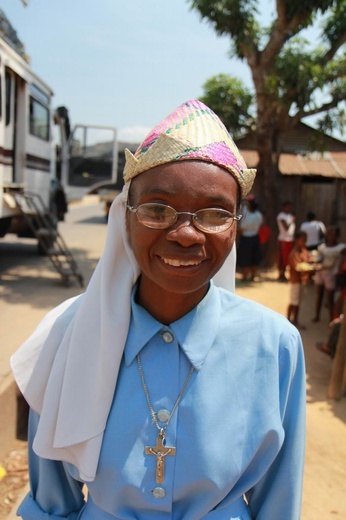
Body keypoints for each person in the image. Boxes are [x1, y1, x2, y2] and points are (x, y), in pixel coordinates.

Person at [11, 99, 306, 520]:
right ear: (124, 218)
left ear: (237, 226)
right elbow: (50, 505)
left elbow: (279, 503)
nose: (186, 233)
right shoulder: (69, 332)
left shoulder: (275, 345)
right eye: (156, 210)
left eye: (214, 213)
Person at [312, 226, 346, 323]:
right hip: (321, 272)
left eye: (333, 234)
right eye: (329, 234)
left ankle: (332, 319)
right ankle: (317, 315)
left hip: (331, 274)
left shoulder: (341, 248)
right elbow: (319, 258)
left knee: (330, 298)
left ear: (337, 236)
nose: (331, 236)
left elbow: (341, 262)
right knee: (319, 294)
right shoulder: (322, 247)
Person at [287, 230, 313, 328]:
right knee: (293, 301)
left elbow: (310, 259)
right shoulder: (294, 253)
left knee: (298, 302)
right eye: (302, 240)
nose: (304, 242)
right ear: (297, 240)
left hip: (303, 280)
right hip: (296, 280)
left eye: (305, 240)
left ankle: (295, 320)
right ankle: (288, 319)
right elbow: (297, 267)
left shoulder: (304, 251)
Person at [237, 195, 263, 281]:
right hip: (255, 237)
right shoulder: (259, 215)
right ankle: (253, 276)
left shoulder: (247, 216)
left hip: (246, 238)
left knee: (245, 258)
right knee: (254, 257)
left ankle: (244, 277)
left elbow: (242, 228)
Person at [276, 200, 295, 281]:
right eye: (288, 206)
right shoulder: (281, 216)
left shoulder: (289, 216)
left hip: (290, 239)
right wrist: (291, 221)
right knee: (282, 258)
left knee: (287, 258)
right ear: (284, 207)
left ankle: (284, 274)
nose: (289, 208)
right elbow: (286, 228)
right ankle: (281, 274)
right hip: (283, 239)